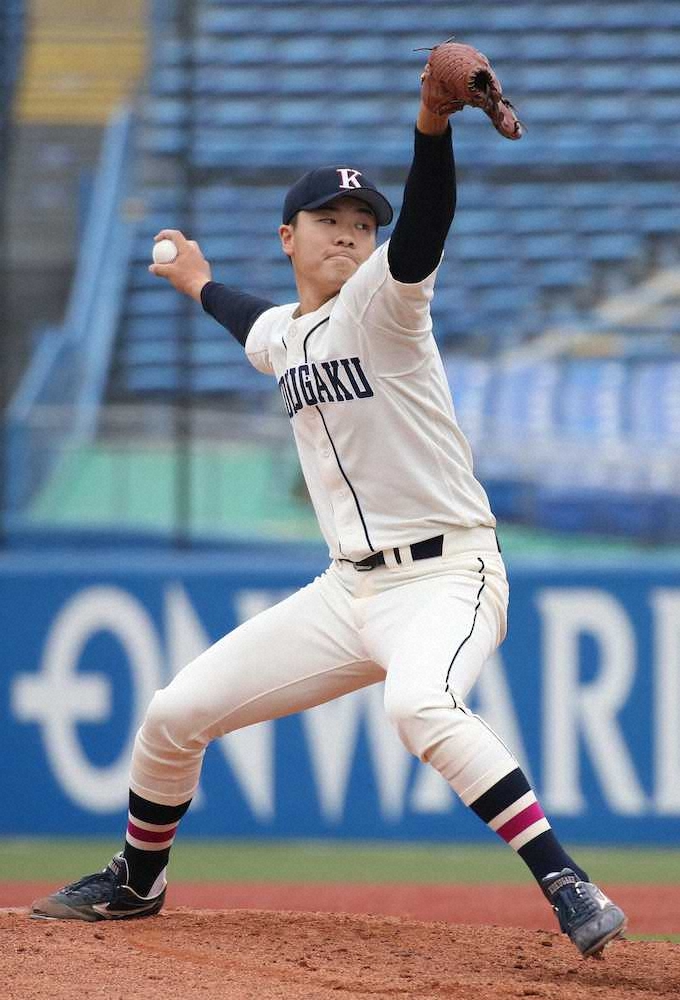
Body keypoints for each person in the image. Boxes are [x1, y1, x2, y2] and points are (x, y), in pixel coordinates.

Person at [32, 64, 626, 960]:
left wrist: (431, 126)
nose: (350, 232)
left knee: (418, 705)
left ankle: (566, 881)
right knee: (172, 713)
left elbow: (423, 228)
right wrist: (197, 281)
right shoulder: (286, 334)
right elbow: (251, 324)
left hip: (448, 574)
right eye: (329, 219)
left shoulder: (386, 303)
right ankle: (137, 881)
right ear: (288, 237)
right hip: (347, 594)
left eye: (361, 222)